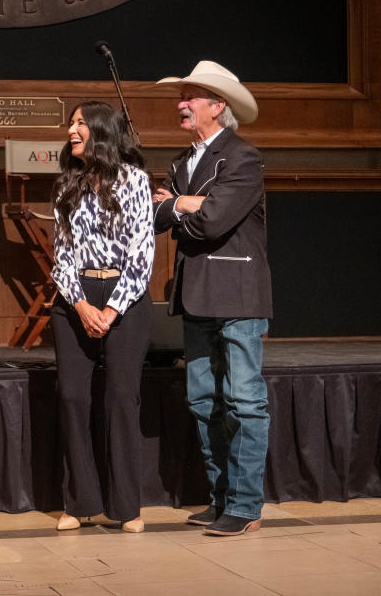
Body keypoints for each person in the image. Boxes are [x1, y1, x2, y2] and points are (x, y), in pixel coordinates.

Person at [152, 61, 273, 536]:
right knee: (204, 400)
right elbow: (159, 217)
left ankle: (245, 506)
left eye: (192, 96)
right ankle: (222, 498)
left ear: (217, 106)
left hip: (238, 294)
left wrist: (180, 203)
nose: (182, 104)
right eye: (182, 96)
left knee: (244, 401)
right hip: (197, 294)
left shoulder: (243, 157)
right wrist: (186, 205)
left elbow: (215, 221)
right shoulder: (182, 162)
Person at [49, 101, 154, 533]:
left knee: (120, 399)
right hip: (75, 299)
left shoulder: (135, 180)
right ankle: (80, 503)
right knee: (73, 398)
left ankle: (127, 507)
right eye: (71, 123)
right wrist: (80, 304)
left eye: (79, 124)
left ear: (101, 131)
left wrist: (109, 310)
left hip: (123, 299)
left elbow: (142, 254)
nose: (71, 130)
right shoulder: (66, 185)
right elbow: (61, 253)